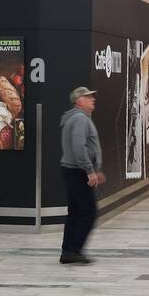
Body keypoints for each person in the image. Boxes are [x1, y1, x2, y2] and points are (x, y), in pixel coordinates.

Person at [59, 86, 104, 265]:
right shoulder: (80, 119)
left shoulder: (78, 118)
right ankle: (74, 250)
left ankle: (68, 251)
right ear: (79, 101)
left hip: (72, 170)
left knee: (75, 212)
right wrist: (90, 170)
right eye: (88, 97)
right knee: (88, 212)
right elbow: (79, 147)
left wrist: (95, 169)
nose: (93, 99)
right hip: (78, 171)